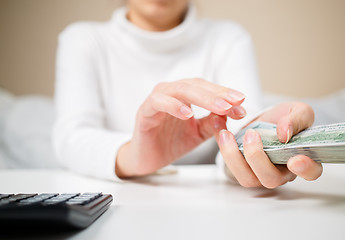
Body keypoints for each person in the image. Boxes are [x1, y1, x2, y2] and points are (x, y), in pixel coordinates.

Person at [53, 0, 323, 188]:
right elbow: (72, 137)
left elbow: (242, 123)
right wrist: (134, 155)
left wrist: (261, 135)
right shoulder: (83, 39)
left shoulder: (227, 37)